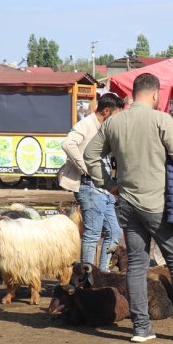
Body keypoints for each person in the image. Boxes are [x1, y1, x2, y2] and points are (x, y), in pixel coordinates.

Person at [84, 73, 173, 343]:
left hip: (128, 205)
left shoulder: (114, 122)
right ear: (155, 94)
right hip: (157, 205)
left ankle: (141, 329)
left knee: (136, 266)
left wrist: (108, 183)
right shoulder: (161, 120)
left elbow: (89, 155)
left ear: (134, 93)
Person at [60, 92, 125, 273]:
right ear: (106, 111)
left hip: (103, 188)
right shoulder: (86, 124)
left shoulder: (103, 128)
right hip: (88, 186)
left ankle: (102, 274)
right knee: (92, 235)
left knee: (115, 232)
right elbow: (68, 144)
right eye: (116, 114)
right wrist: (85, 168)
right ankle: (86, 280)